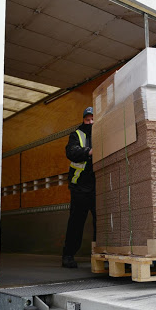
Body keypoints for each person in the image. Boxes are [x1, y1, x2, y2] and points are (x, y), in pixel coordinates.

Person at [62, 106, 96, 268]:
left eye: (92, 119)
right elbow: (71, 152)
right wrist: (88, 152)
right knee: (76, 223)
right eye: (87, 119)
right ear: (83, 120)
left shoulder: (103, 132)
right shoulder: (77, 135)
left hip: (98, 186)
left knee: (100, 224)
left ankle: (98, 255)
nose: (90, 122)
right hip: (80, 186)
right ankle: (68, 255)